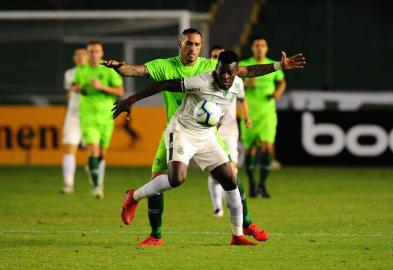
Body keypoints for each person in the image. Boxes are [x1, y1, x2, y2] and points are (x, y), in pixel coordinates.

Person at [102, 28, 304, 245]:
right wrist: (126, 84)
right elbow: (145, 75)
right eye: (189, 43)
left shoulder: (220, 70)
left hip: (207, 133)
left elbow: (249, 70)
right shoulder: (192, 76)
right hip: (180, 130)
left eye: (197, 44)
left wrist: (278, 66)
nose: (193, 48)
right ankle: (149, 224)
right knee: (172, 179)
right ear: (180, 43)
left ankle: (241, 230)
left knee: (231, 178)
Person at [72, 40, 124, 198]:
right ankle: (96, 186)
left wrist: (101, 87)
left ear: (101, 53)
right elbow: (74, 87)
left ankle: (92, 167)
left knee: (101, 154)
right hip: (88, 116)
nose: (94, 54)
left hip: (106, 116)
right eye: (91, 51)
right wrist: (81, 87)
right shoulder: (81, 71)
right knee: (93, 149)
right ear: (87, 54)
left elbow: (120, 91)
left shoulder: (108, 71)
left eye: (96, 51)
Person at [239, 36, 287, 199]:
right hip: (249, 112)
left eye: (263, 45)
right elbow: (232, 83)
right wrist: (245, 84)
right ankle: (252, 183)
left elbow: (282, 82)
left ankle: (263, 184)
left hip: (267, 112)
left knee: (268, 148)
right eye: (257, 45)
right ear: (252, 48)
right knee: (250, 149)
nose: (260, 48)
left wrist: (278, 93)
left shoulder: (273, 65)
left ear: (266, 48)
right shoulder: (245, 65)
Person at [207, 45, 251, 217]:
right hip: (210, 132)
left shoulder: (236, 81)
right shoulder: (205, 80)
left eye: (219, 56)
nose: (216, 58)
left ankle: (237, 213)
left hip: (230, 130)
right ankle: (217, 207)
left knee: (232, 171)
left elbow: (242, 100)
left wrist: (246, 116)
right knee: (215, 174)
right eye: (214, 56)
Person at [60, 48, 88, 194]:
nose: (79, 57)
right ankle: (68, 184)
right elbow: (73, 90)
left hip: (92, 116)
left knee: (95, 151)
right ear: (74, 58)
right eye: (77, 54)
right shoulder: (70, 73)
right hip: (73, 116)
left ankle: (96, 183)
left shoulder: (98, 72)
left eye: (82, 54)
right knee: (70, 148)